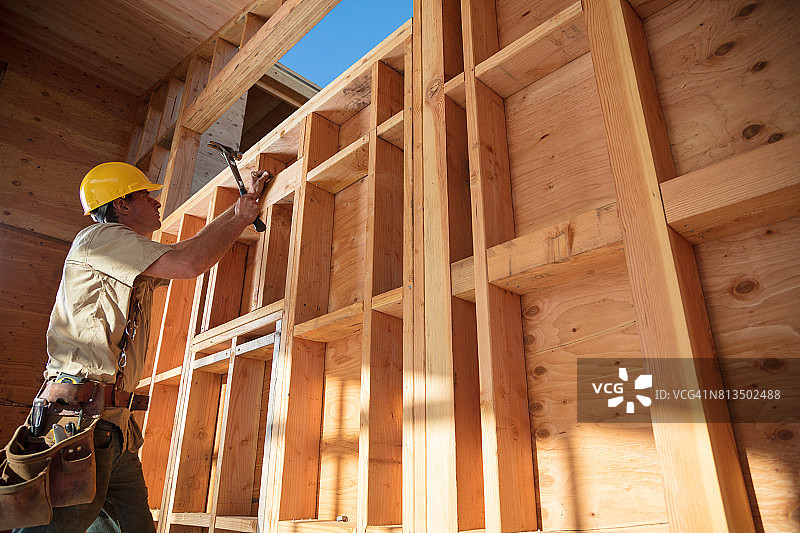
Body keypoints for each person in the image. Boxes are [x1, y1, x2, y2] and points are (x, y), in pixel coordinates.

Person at [14, 161, 271, 532]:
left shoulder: (125, 254)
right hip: (77, 421)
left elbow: (188, 251)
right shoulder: (99, 239)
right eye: (146, 195)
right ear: (121, 205)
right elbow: (190, 262)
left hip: (111, 427)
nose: (155, 202)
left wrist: (238, 213)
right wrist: (240, 216)